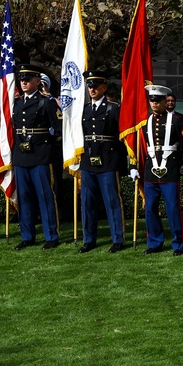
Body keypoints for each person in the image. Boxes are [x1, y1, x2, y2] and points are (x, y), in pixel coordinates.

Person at [131, 84, 183, 256]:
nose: (154, 104)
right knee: (150, 208)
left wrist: (179, 165)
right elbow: (141, 147)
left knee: (172, 208)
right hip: (150, 171)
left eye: (158, 100)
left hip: (169, 170)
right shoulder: (145, 121)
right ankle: (154, 242)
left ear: (165, 101)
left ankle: (178, 243)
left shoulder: (177, 120)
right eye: (152, 100)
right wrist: (133, 166)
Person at [12, 63, 62, 250]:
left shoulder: (45, 102)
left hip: (41, 155)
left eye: (28, 79)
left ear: (37, 81)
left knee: (45, 196)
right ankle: (27, 235)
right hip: (21, 156)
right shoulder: (17, 103)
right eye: (22, 79)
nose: (23, 82)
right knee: (24, 198)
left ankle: (51, 235)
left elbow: (58, 129)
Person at [78, 71, 125, 254]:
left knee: (112, 201)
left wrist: (122, 163)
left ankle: (118, 239)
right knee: (87, 202)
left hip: (108, 160)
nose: (92, 89)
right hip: (89, 160)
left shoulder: (113, 109)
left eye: (96, 85)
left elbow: (120, 136)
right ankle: (89, 239)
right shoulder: (84, 110)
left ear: (104, 87)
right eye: (90, 86)